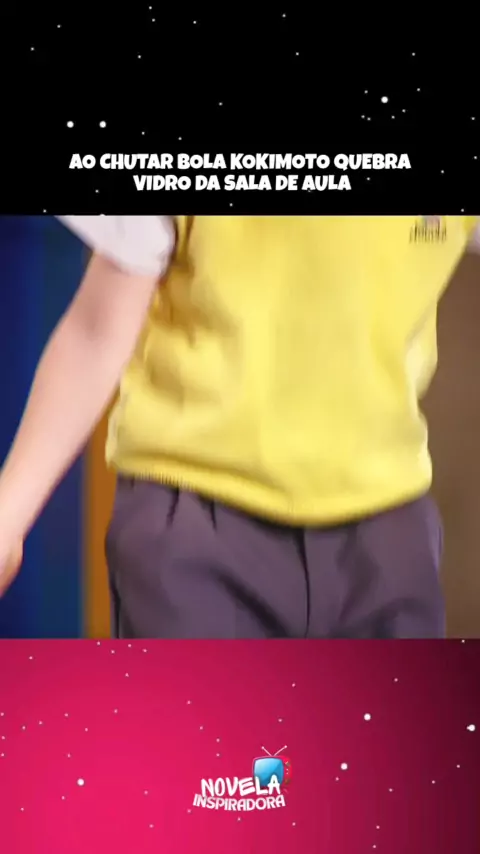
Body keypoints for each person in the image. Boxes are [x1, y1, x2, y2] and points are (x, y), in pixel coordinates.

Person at [0, 215, 478, 638]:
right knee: (202, 713)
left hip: (387, 522)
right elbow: (97, 331)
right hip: (193, 509)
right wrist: (10, 514)